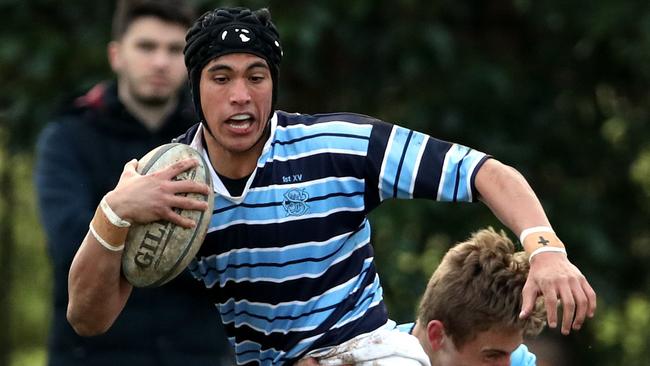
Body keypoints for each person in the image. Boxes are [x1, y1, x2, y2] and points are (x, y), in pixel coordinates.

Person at [65, 6, 597, 366]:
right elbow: (88, 319)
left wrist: (546, 250)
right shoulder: (170, 184)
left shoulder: (338, 145)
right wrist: (113, 212)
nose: (241, 95)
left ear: (273, 83)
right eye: (221, 77)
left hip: (368, 350)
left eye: (257, 75)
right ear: (195, 86)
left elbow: (486, 172)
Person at [34, 1, 232, 365]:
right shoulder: (69, 136)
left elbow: (237, 250)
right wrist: (123, 210)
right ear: (116, 55)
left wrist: (117, 231)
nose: (160, 61)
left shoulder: (217, 141)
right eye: (146, 47)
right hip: (92, 356)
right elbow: (67, 244)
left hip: (198, 356)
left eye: (174, 50)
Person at [298, 228, 547, 366]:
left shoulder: (519, 361)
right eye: (491, 356)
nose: (508, 365)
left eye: (509, 353)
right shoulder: (363, 359)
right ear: (437, 335)